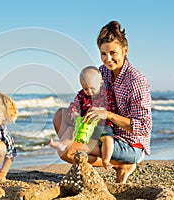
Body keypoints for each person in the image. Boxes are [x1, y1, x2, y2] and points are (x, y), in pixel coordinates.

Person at [53, 21, 152, 184]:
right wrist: (78, 113)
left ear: (125, 50)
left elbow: (143, 127)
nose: (108, 59)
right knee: (60, 116)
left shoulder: (136, 81)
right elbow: (87, 97)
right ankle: (98, 164)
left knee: (66, 152)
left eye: (113, 53)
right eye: (103, 54)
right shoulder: (103, 72)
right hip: (102, 130)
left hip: (130, 144)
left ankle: (122, 164)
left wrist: (108, 114)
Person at [49, 66, 116, 170]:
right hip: (85, 124)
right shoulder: (82, 95)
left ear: (101, 83)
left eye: (92, 88)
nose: (89, 91)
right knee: (71, 129)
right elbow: (73, 105)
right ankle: (63, 144)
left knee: (108, 139)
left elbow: (112, 108)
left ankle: (106, 160)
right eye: (85, 88)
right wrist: (75, 113)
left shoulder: (106, 94)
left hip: (103, 126)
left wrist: (101, 110)